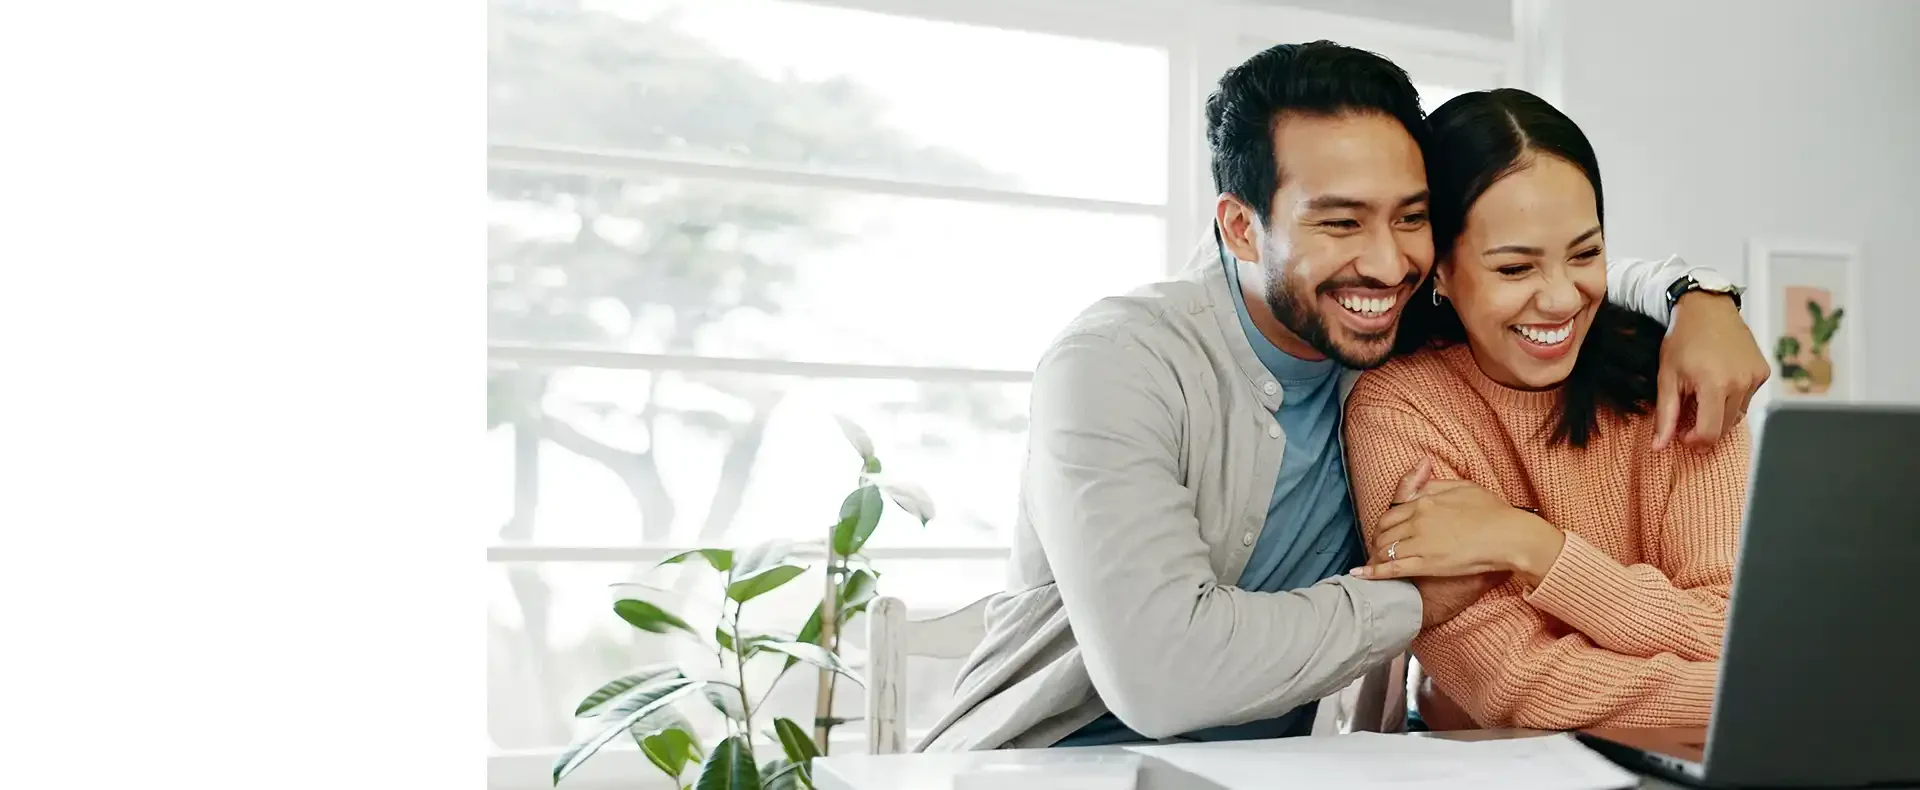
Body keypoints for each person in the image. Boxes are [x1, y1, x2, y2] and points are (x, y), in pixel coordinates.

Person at [913, 41, 1766, 752]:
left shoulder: (1387, 332)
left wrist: (1701, 296)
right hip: (1042, 766)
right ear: (1241, 225)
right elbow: (1160, 679)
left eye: (1409, 217)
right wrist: (1411, 605)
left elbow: (1540, 264)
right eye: (1340, 221)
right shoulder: (1121, 363)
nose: (1388, 262)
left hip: (1270, 772)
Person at [1342, 87, 1748, 730]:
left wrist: (1532, 545)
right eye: (1514, 268)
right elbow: (1511, 682)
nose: (1561, 298)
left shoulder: (1679, 380)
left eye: (1585, 254)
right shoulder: (1399, 410)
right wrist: (1756, 705)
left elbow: (1738, 631)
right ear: (1438, 271)